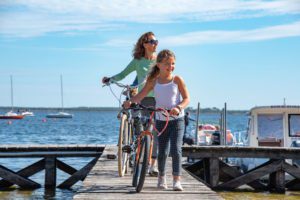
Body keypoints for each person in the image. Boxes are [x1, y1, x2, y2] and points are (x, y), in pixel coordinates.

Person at [124, 49, 190, 191]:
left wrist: (178, 108)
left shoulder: (177, 79)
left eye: (173, 64)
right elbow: (141, 95)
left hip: (177, 120)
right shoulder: (153, 81)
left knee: (176, 149)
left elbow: (186, 99)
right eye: (167, 63)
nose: (171, 66)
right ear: (158, 64)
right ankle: (161, 178)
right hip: (160, 120)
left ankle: (176, 180)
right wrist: (130, 102)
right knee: (162, 151)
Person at [102, 32, 159, 176]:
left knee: (153, 132)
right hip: (142, 97)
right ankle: (136, 153)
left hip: (158, 99)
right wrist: (110, 79)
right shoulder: (138, 61)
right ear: (144, 44)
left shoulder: (160, 60)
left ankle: (153, 165)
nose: (155, 44)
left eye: (156, 41)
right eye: (152, 41)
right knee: (140, 128)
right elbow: (123, 74)